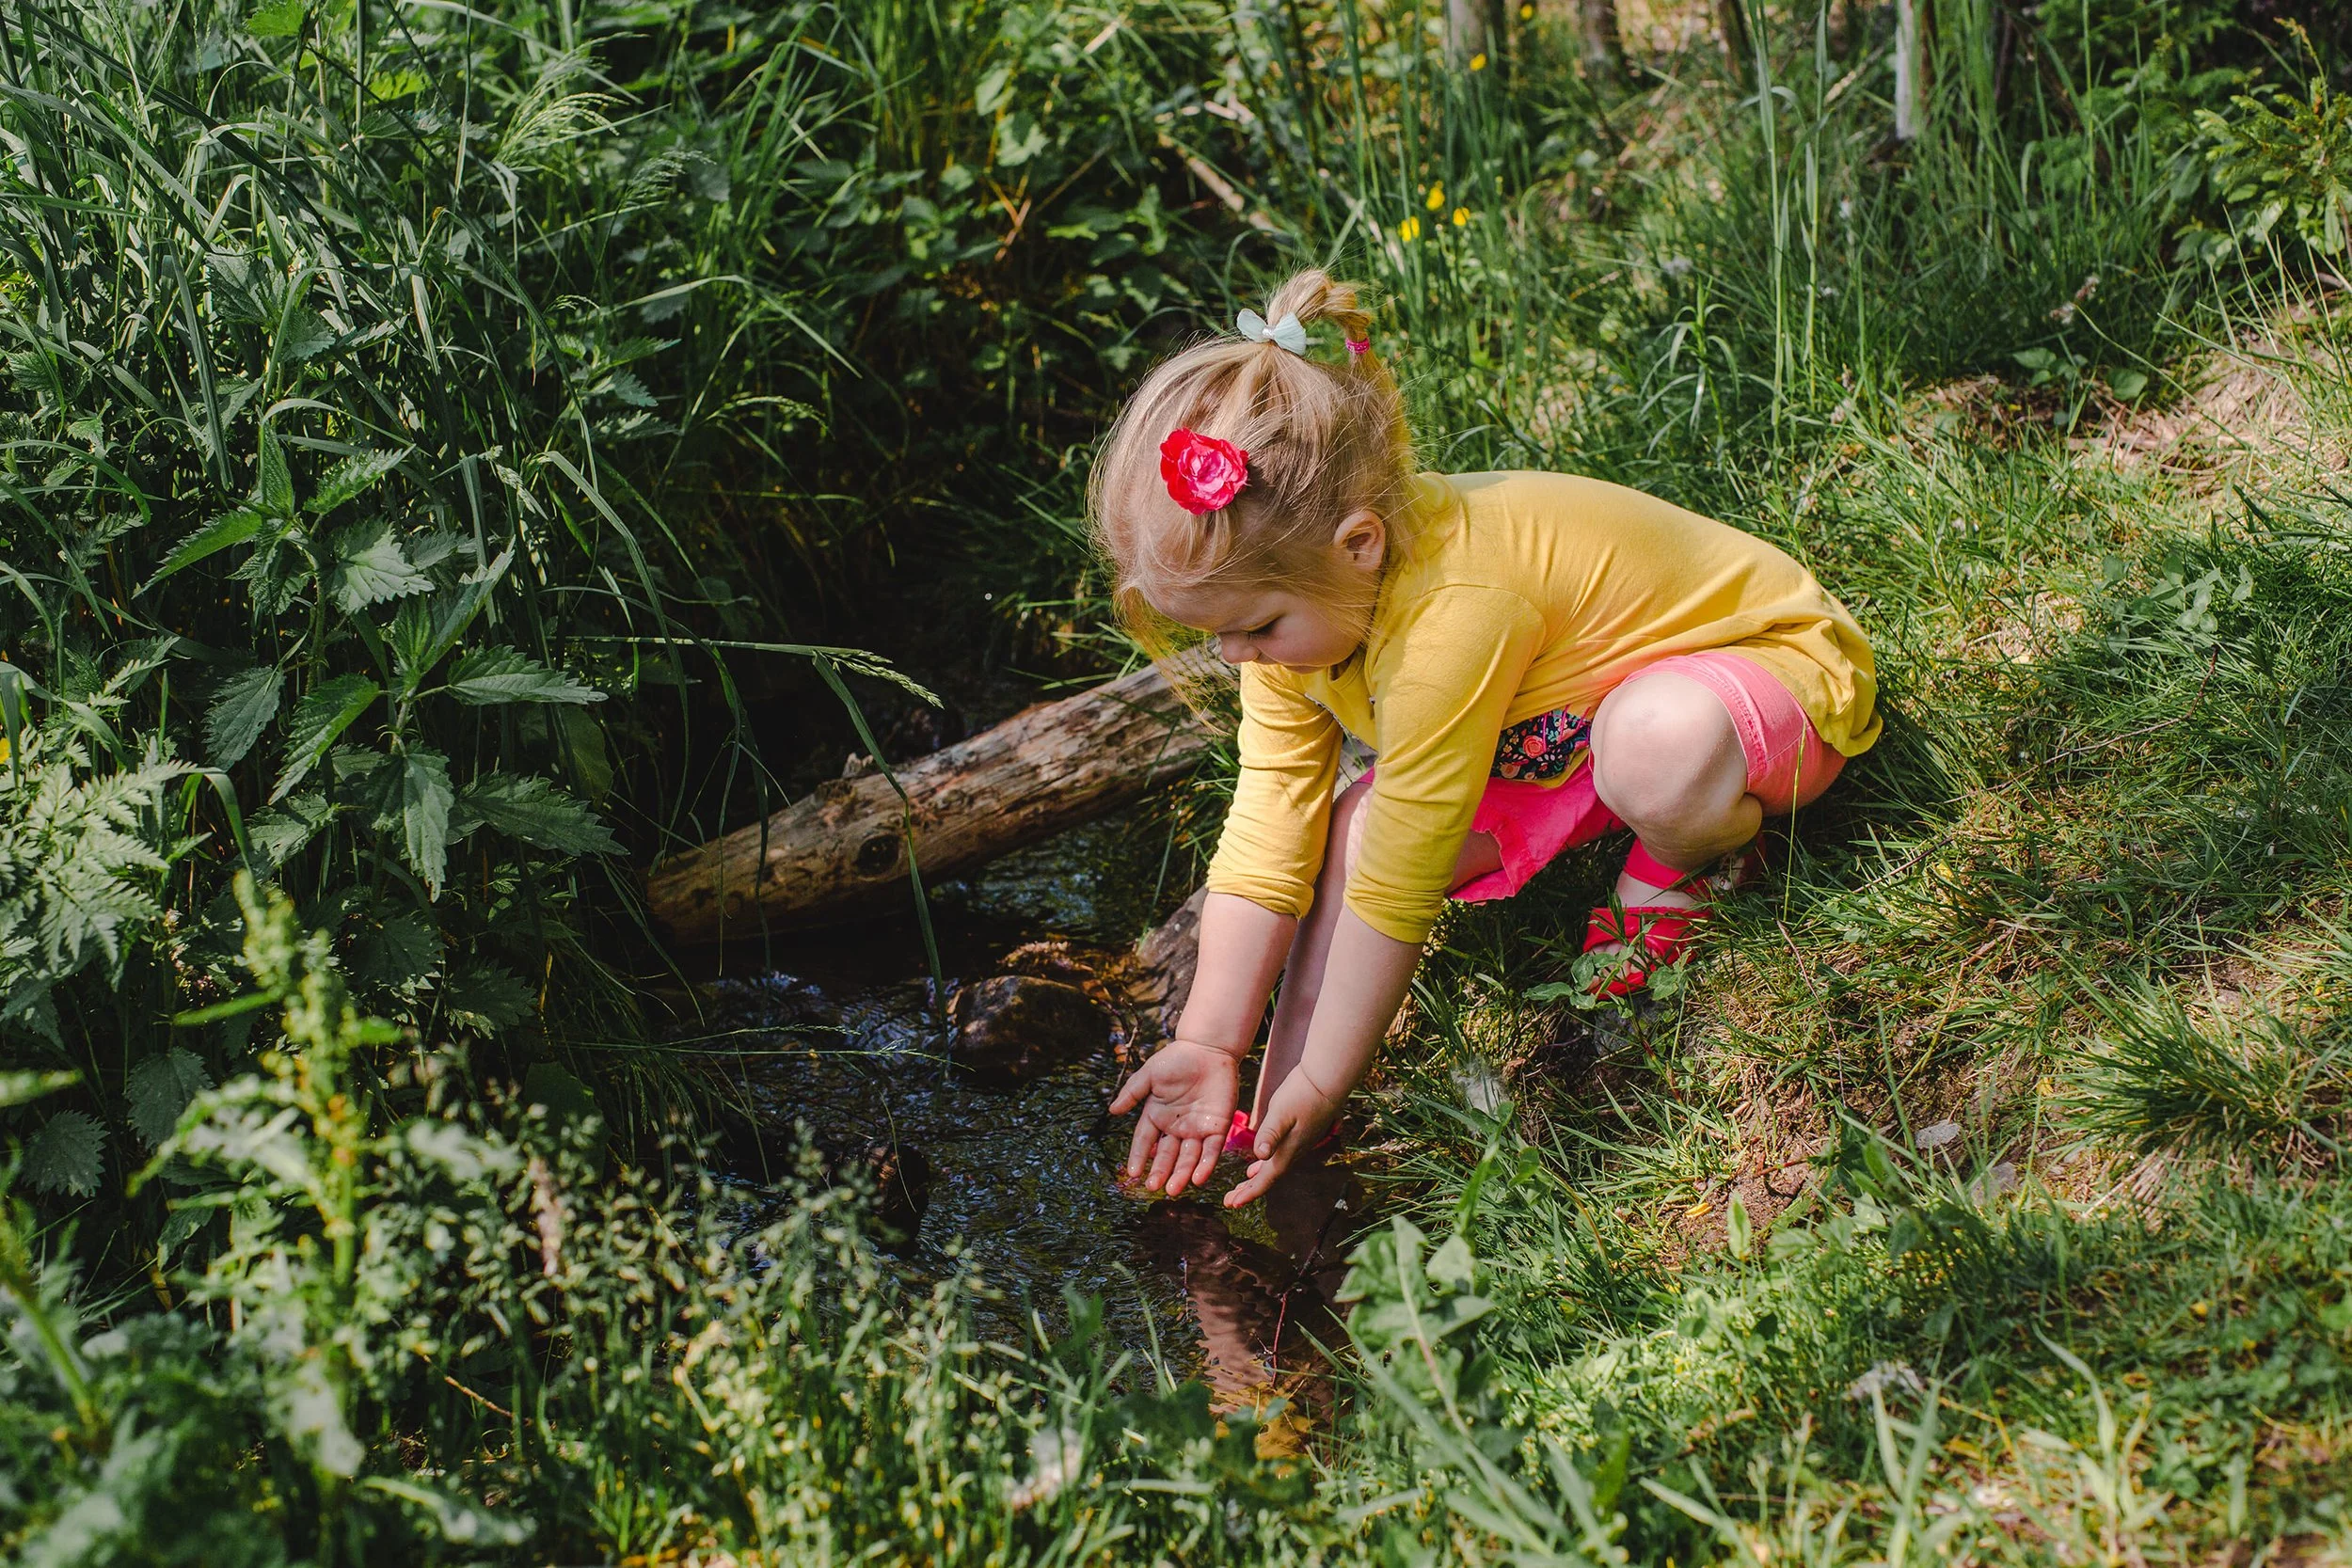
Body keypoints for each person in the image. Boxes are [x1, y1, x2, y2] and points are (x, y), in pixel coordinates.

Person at [1094, 269, 1878, 1208]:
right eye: (1212, 635)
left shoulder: (1449, 616)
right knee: (1349, 826)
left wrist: (1332, 1068)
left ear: (1358, 546)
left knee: (1654, 747)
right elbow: (1271, 830)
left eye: (1255, 628)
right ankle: (1283, 1132)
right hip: (1569, 721)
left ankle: (1689, 865)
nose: (1236, 657)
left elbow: (1404, 878)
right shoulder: (1302, 614)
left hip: (1755, 684)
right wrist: (1212, 1042)